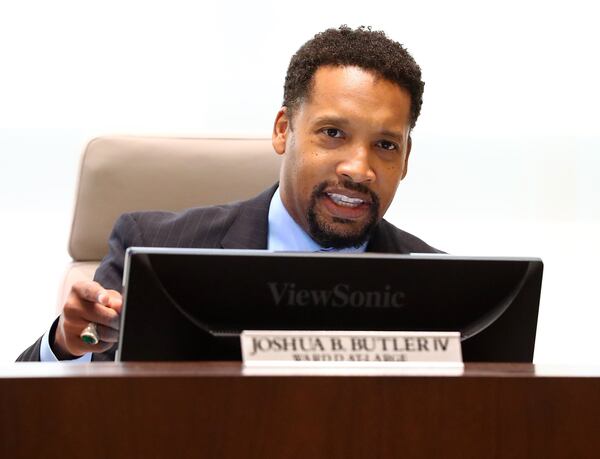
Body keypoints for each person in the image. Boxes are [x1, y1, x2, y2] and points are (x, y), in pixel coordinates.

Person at [18, 25, 441, 362]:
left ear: (405, 159)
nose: (359, 169)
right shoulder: (152, 249)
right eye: (332, 133)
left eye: (386, 145)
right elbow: (48, 412)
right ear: (283, 130)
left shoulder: (442, 288)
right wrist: (68, 344)